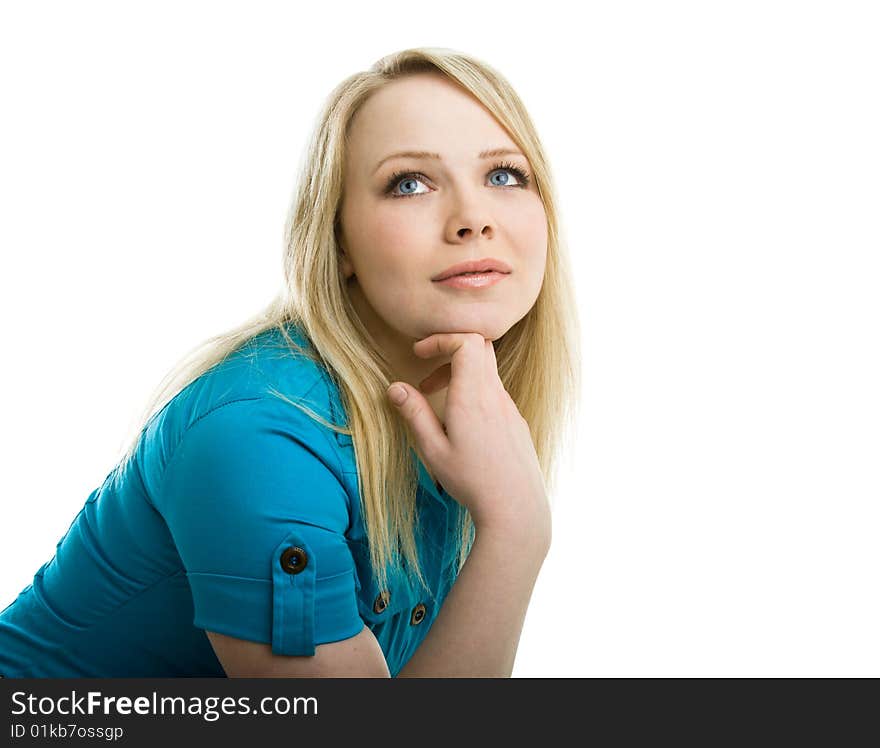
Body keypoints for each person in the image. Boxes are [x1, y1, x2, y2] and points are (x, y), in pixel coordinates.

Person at [0, 46, 580, 678]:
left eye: (504, 175)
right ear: (338, 242)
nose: (474, 219)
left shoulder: (472, 424)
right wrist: (515, 533)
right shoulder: (259, 437)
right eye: (409, 183)